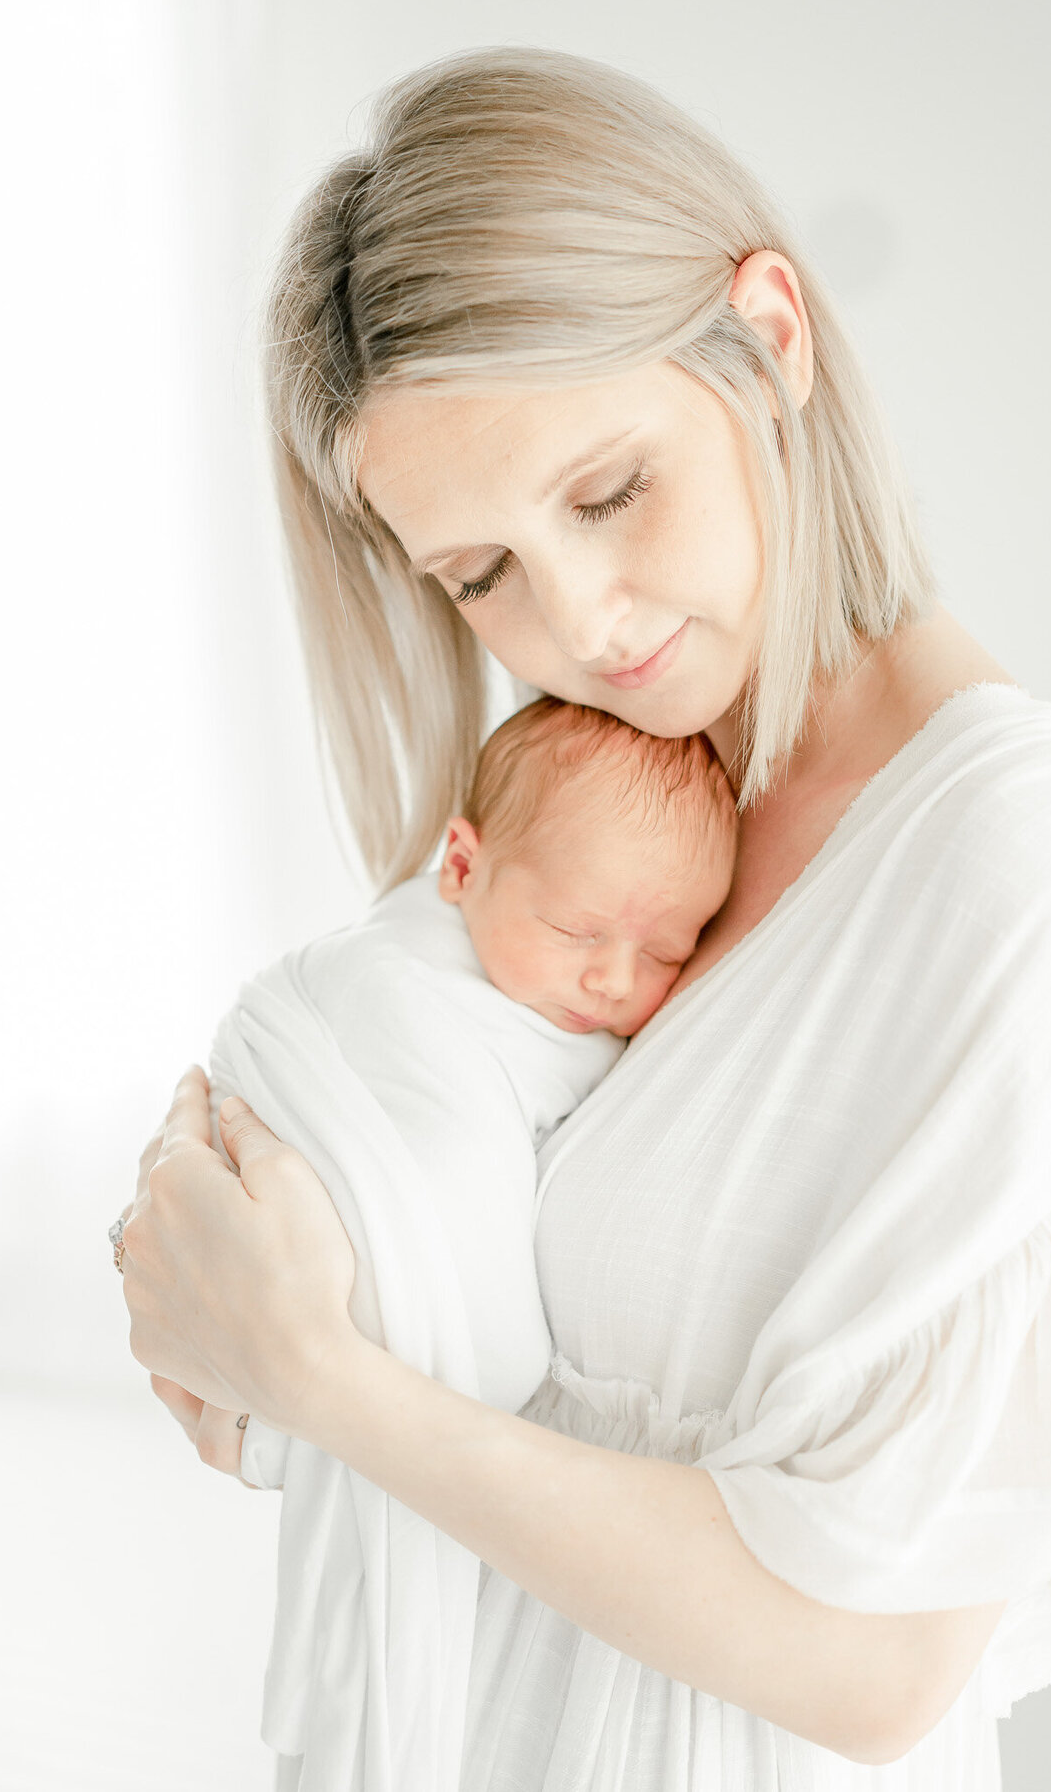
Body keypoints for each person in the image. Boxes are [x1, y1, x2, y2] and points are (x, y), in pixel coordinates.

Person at [116, 43, 1051, 1792]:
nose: (585, 615)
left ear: (771, 336)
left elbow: (874, 1660)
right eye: (482, 577)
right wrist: (248, 1253)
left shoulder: (1012, 847)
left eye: (609, 493)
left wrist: (316, 1367)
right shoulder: (624, 808)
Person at [200, 693, 736, 1785]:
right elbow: (355, 1093)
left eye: (668, 950)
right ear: (460, 867)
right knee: (491, 1356)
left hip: (357, 1376)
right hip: (322, 1191)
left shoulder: (562, 1010)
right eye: (581, 932)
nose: (617, 981)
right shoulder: (400, 974)